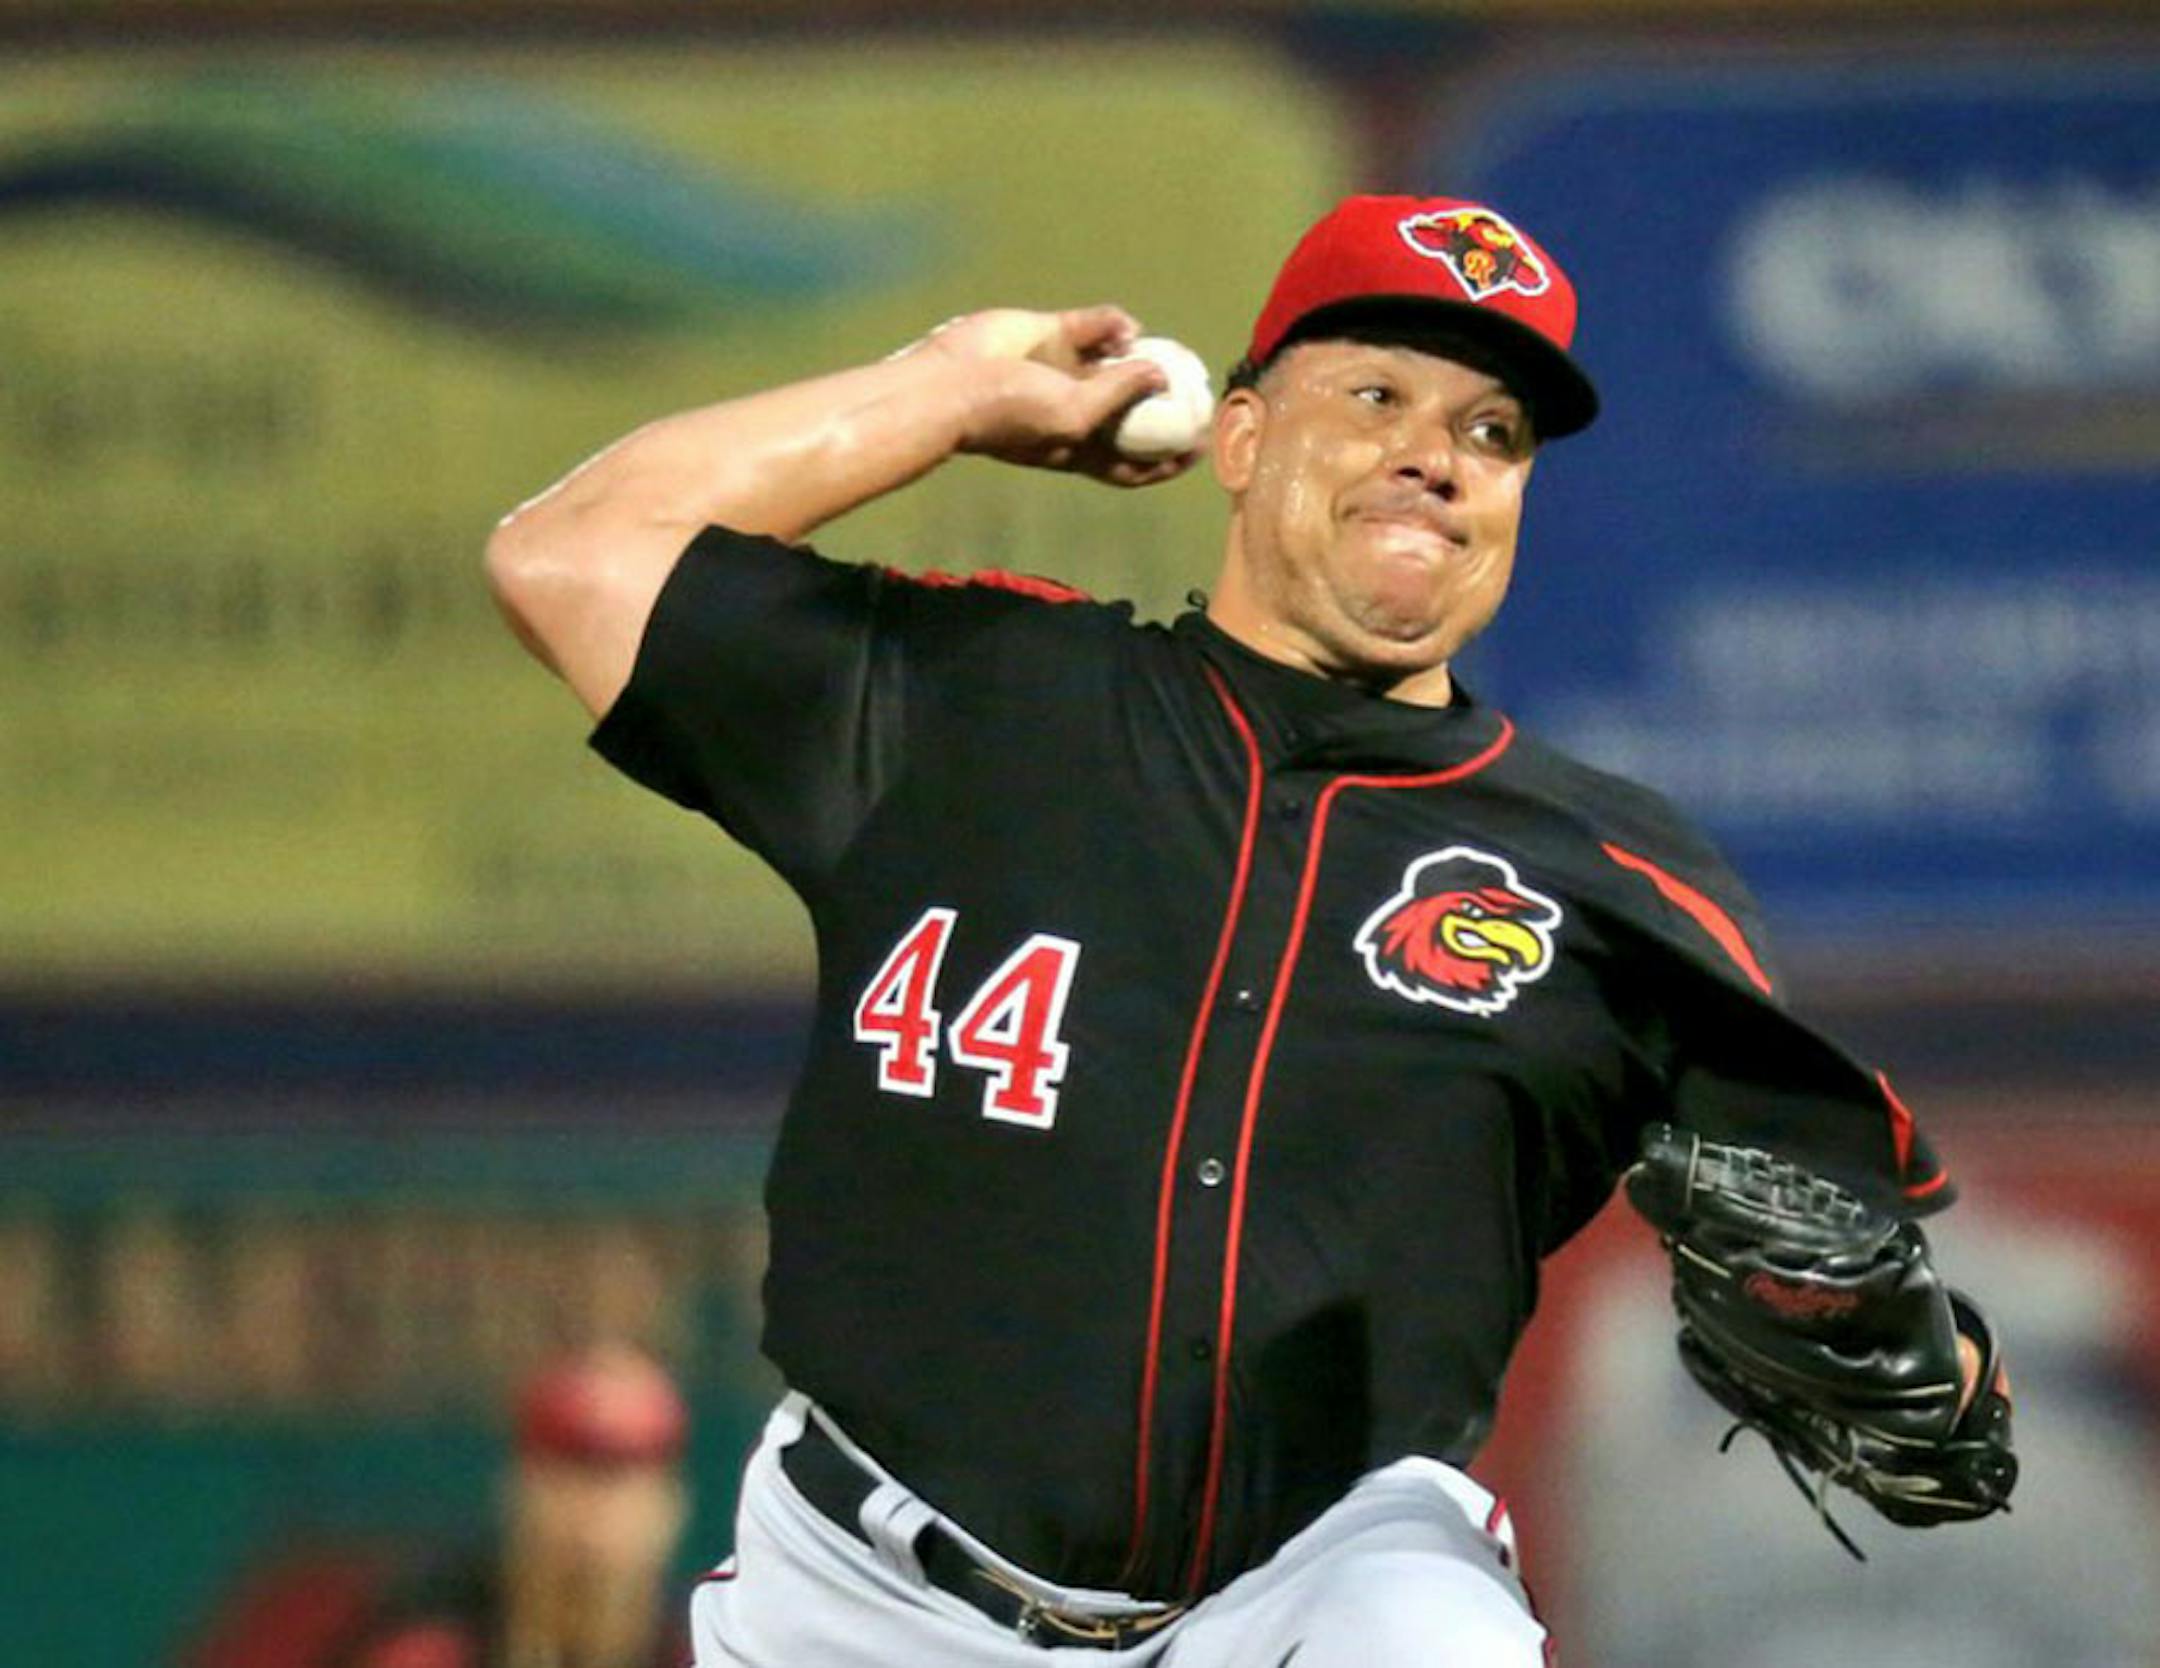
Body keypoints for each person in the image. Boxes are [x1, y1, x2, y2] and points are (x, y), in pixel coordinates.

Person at [485, 195, 2001, 1666]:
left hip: (1316, 1587)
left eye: (1492, 432)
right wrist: (947, 391)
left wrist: (1906, 1360)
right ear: (1243, 437)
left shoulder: (1619, 884)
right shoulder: (976, 698)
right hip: (865, 1596)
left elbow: (1915, 1353)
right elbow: (570, 553)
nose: (1435, 457)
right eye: (1377, 396)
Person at [330, 1343, 692, 1668]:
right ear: (520, 1489)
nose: (596, 1513)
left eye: (620, 1481)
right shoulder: (432, 1642)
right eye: (572, 1476)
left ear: (671, 1507)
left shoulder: (696, 1645)